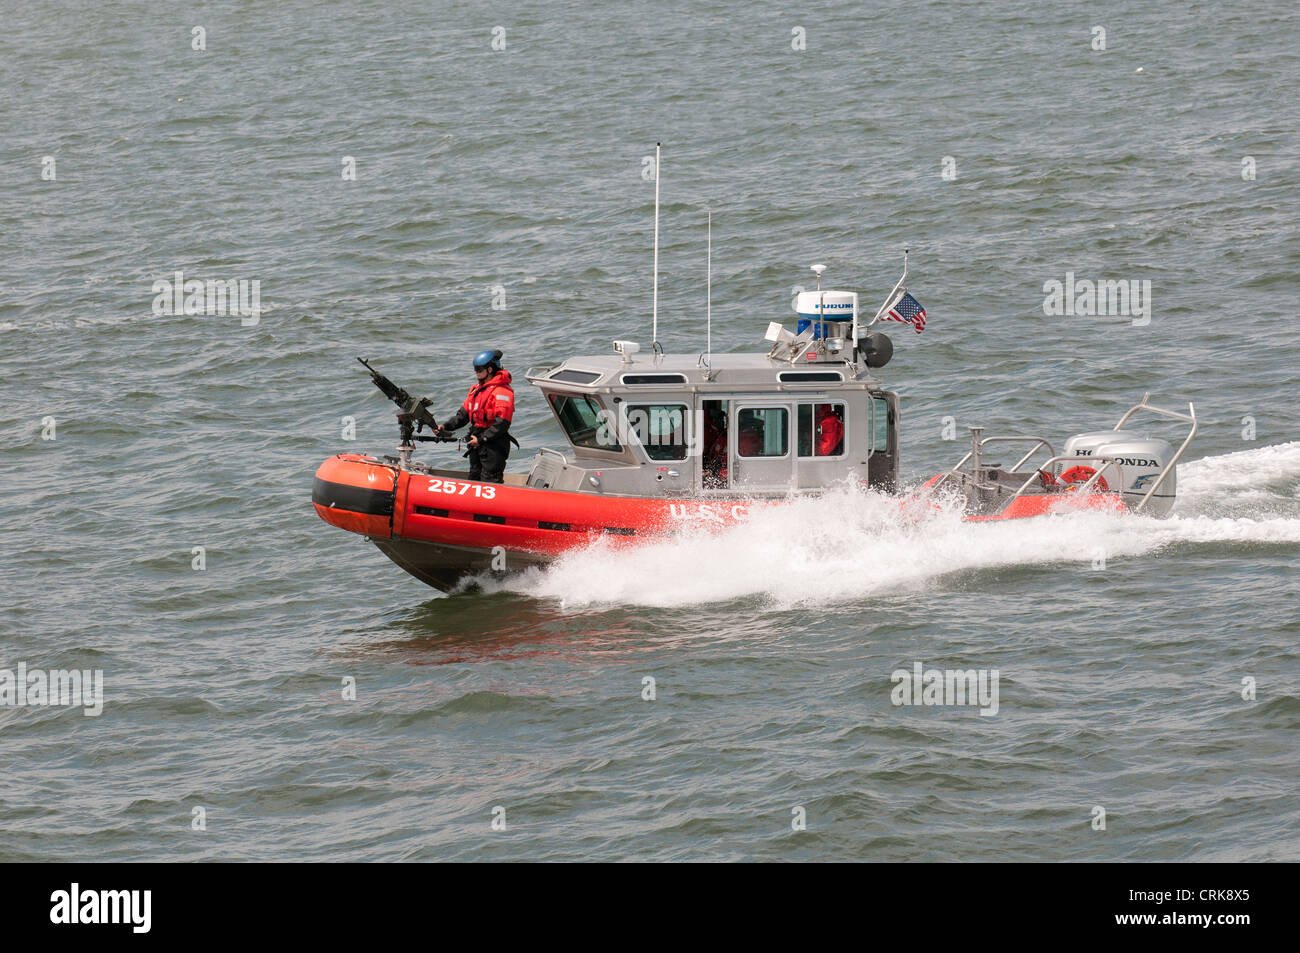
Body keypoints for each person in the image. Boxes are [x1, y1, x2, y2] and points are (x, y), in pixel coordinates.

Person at [436, 349, 515, 483]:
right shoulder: (475, 390)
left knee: (490, 480)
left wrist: (482, 439)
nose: (476, 372)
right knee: (474, 477)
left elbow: (502, 423)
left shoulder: (502, 391)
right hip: (476, 442)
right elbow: (463, 415)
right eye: (475, 369)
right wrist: (445, 426)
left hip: (493, 445)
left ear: (490, 369)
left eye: (478, 369)